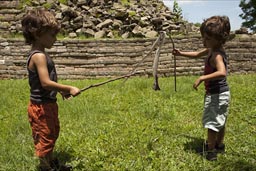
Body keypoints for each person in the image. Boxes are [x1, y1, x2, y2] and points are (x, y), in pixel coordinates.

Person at [21, 8, 80, 171]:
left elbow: (47, 82)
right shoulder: (38, 56)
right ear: (38, 34)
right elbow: (45, 83)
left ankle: (51, 162)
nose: (55, 39)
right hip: (41, 107)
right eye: (52, 35)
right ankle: (45, 167)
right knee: (45, 137)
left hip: (48, 103)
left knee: (52, 133)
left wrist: (60, 91)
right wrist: (68, 87)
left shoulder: (42, 54)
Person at [172, 15, 231, 161]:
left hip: (217, 94)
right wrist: (180, 54)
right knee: (220, 121)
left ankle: (211, 151)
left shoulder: (216, 54)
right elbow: (197, 54)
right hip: (221, 93)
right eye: (203, 37)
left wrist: (202, 78)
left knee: (212, 123)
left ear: (218, 39)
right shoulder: (212, 49)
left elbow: (222, 72)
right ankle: (219, 145)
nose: (204, 41)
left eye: (207, 39)